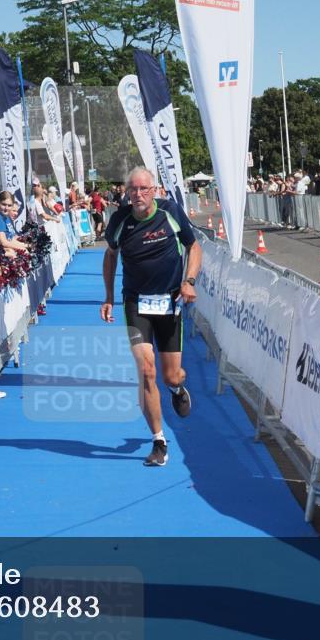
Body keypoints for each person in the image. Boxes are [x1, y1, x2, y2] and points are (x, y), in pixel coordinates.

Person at [101, 167, 201, 468]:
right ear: (126, 192)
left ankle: (177, 388)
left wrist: (189, 281)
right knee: (146, 370)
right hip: (136, 302)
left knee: (171, 375)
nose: (138, 194)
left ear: (154, 190)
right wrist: (108, 297)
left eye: (143, 189)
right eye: (132, 189)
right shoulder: (120, 220)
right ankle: (159, 441)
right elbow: (110, 255)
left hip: (169, 302)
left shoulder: (170, 212)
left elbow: (193, 246)